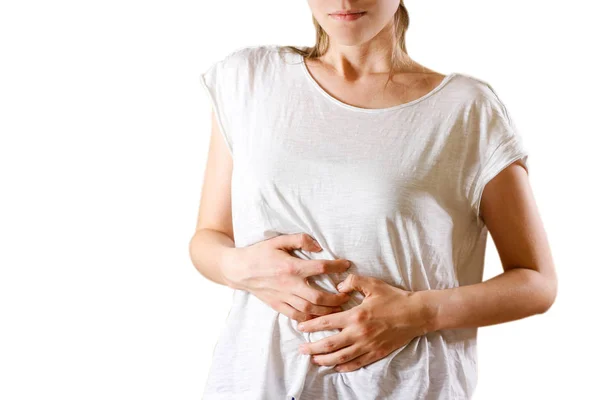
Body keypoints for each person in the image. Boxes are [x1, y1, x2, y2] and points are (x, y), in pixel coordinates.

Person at [189, 1, 558, 399]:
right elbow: (208, 237)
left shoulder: (466, 108)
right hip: (255, 383)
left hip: (405, 387)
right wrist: (239, 266)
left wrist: (420, 312)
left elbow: (536, 283)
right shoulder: (247, 79)